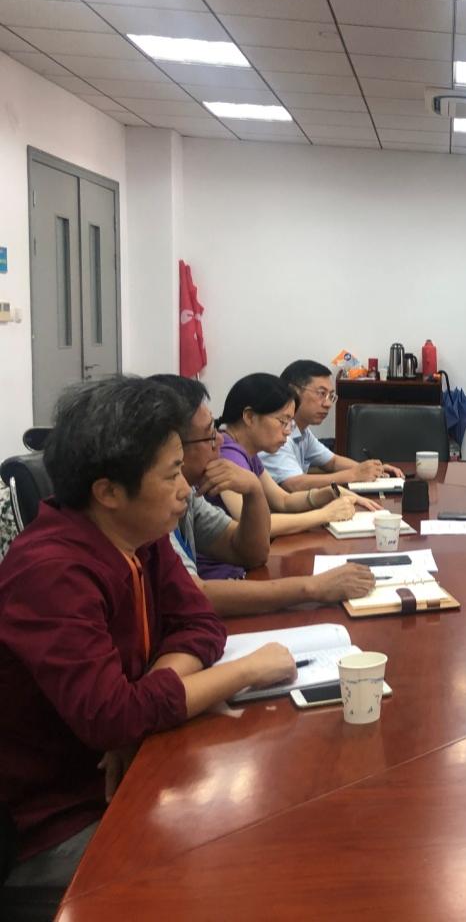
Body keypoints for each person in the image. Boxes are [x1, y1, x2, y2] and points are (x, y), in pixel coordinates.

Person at [0, 377, 296, 888]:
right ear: (109, 492)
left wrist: (141, 707)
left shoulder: (140, 535)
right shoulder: (50, 571)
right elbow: (113, 717)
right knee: (242, 866)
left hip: (133, 773)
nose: (186, 489)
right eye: (172, 474)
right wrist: (248, 670)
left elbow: (200, 624)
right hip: (56, 823)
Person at [151, 375, 374, 615]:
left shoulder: (190, 493)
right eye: (209, 434)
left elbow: (254, 552)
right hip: (220, 587)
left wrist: (255, 491)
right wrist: (313, 586)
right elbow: (193, 595)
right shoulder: (222, 459)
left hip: (230, 584)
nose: (219, 439)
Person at [213, 373, 379, 545]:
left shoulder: (248, 453)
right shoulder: (228, 455)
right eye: (283, 421)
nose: (287, 431)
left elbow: (283, 501)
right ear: (249, 417)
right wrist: (325, 514)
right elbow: (253, 526)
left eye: (290, 423)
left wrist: (323, 494)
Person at [261, 360, 404, 492]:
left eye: (331, 396)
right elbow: (294, 484)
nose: (328, 404)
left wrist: (373, 469)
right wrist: (354, 474)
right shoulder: (276, 434)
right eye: (321, 393)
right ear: (293, 392)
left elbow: (332, 462)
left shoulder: (302, 431)